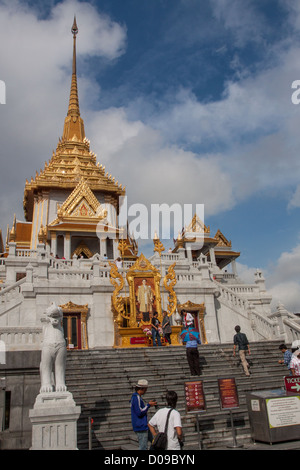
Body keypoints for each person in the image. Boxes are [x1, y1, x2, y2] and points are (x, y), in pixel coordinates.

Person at [130, 379, 157, 450]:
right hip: (141, 426)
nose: (146, 391)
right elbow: (139, 412)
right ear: (142, 389)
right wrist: (148, 405)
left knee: (154, 442)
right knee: (143, 447)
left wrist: (148, 405)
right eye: (146, 389)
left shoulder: (137, 397)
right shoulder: (136, 397)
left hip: (144, 425)